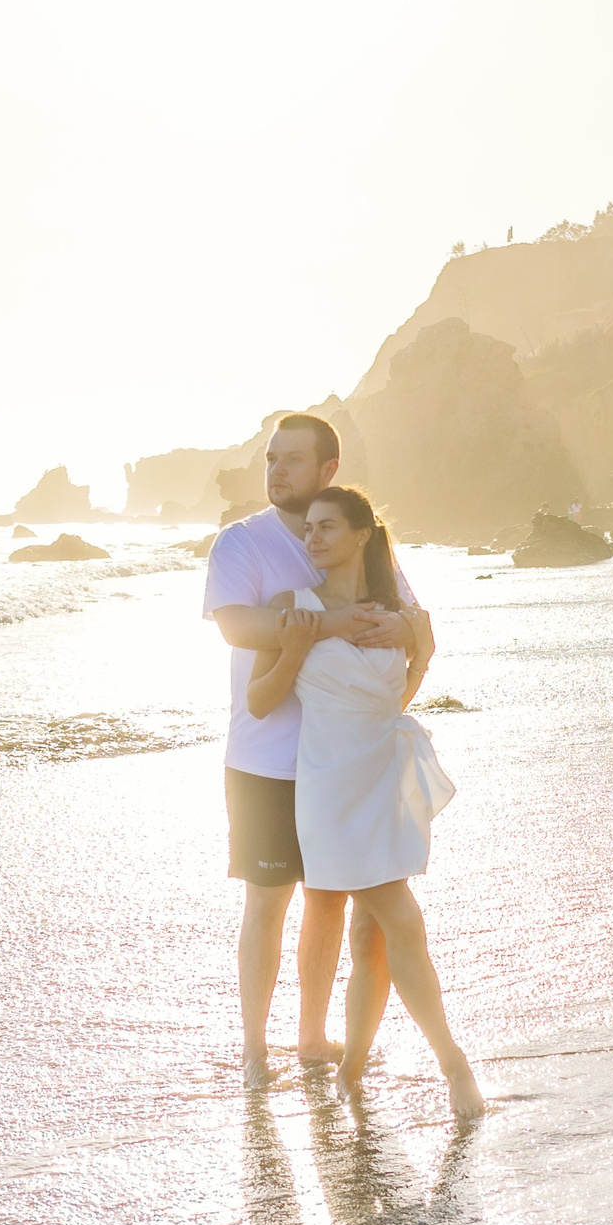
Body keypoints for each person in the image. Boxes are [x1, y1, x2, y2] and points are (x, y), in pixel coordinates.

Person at [245, 486, 481, 1119]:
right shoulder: (291, 608)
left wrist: (422, 653)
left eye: (327, 527)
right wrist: (292, 650)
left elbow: (388, 702)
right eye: (309, 528)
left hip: (380, 778)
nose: (312, 538)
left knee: (372, 939)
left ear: (361, 536)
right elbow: (260, 703)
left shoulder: (391, 614)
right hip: (326, 791)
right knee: (402, 921)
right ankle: (454, 1065)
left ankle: (351, 1069)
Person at [202, 414, 421, 1089]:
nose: (276, 472)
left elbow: (406, 618)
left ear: (328, 469)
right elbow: (237, 626)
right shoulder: (241, 542)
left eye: (293, 460)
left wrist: (405, 632)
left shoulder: (357, 541)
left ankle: (312, 1036)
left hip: (343, 759)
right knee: (267, 902)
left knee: (328, 902)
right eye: (271, 458)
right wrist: (329, 624)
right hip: (265, 756)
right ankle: (253, 1048)